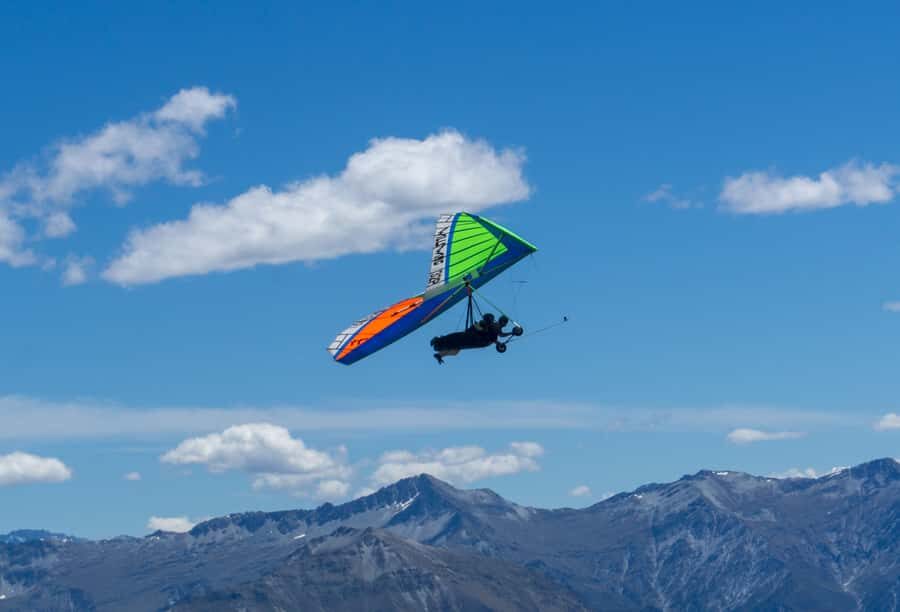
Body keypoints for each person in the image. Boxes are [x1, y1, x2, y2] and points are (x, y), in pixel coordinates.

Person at [430, 313, 514, 364]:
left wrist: (511, 333)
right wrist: (512, 333)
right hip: (472, 337)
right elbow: (497, 336)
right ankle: (438, 339)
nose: (505, 325)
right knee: (454, 340)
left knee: (456, 350)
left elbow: (496, 336)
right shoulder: (495, 326)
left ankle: (439, 354)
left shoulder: (494, 329)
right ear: (502, 322)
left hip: (476, 340)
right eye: (505, 323)